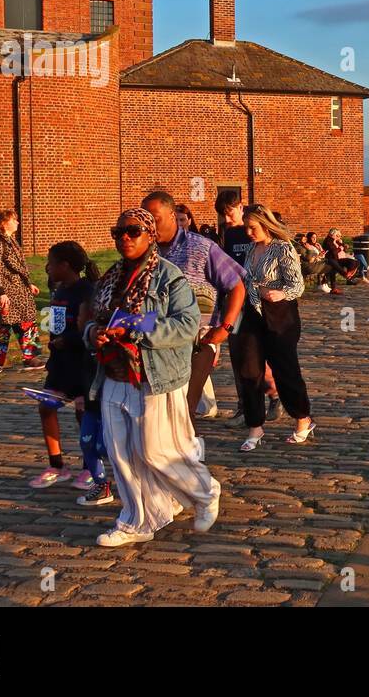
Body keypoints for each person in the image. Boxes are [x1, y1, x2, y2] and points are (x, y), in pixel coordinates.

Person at [85, 208, 220, 547]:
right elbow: (90, 320)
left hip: (153, 373)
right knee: (122, 454)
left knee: (155, 450)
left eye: (132, 232)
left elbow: (187, 325)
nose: (125, 239)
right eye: (118, 232)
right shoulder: (110, 277)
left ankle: (204, 492)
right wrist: (95, 333)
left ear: (150, 235)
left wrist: (136, 327)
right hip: (114, 372)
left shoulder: (168, 277)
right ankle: (137, 520)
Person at [143, 191, 246, 450]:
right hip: (155, 340)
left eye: (154, 219)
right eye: (146, 220)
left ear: (172, 216)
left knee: (185, 404)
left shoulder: (200, 247)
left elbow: (236, 284)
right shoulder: (145, 252)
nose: (150, 226)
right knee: (158, 406)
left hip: (198, 339)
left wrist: (225, 327)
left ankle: (190, 464)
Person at [28, 243, 112, 500]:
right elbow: (55, 324)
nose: (48, 268)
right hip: (60, 363)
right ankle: (56, 465)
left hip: (82, 363)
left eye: (51, 263)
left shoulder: (87, 291)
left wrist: (72, 339)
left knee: (82, 415)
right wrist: (53, 344)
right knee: (46, 407)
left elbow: (89, 327)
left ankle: (89, 468)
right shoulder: (58, 290)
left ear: (65, 265)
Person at [230, 204, 314, 450]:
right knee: (249, 369)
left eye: (252, 228)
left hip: (279, 314)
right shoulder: (252, 249)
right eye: (246, 228)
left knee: (284, 369)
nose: (248, 232)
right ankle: (255, 426)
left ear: (265, 225)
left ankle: (302, 418)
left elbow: (297, 286)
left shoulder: (282, 248)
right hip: (251, 311)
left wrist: (280, 293)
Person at [216, 190, 282, 422]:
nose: (227, 219)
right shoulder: (228, 234)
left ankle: (274, 395)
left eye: (230, 213)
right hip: (235, 304)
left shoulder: (256, 232)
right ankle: (245, 406)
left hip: (258, 302)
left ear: (241, 207)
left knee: (258, 357)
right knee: (238, 357)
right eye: (222, 215)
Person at [0, 210, 44, 375]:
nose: (17, 223)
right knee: (0, 324)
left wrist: (29, 283)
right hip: (5, 291)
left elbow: (19, 267)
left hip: (19, 291)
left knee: (26, 322)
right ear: (4, 224)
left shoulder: (11, 241)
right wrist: (0, 292)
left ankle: (30, 357)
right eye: (14, 220)